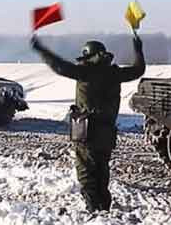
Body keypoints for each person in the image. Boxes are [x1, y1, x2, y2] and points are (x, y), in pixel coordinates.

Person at [31, 34, 145, 212]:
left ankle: (93, 208)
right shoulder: (115, 73)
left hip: (87, 131)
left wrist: (41, 49)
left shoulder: (85, 72)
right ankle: (104, 207)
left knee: (86, 172)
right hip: (107, 131)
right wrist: (138, 49)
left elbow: (59, 66)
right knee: (101, 168)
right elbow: (138, 70)